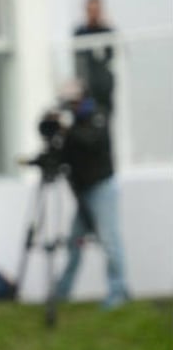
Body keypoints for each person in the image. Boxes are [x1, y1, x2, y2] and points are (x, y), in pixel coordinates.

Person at [49, 79, 130, 309]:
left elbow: (90, 142)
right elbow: (63, 156)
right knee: (74, 242)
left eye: (72, 100)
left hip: (101, 189)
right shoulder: (70, 124)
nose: (68, 105)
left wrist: (67, 127)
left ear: (82, 97)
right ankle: (62, 293)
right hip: (82, 192)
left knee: (109, 240)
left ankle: (118, 293)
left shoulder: (97, 115)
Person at [73, 0, 115, 115]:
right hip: (86, 87)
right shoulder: (80, 32)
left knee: (105, 116)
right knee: (87, 117)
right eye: (91, 10)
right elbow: (78, 58)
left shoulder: (107, 31)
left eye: (96, 10)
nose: (94, 14)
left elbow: (112, 55)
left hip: (104, 86)